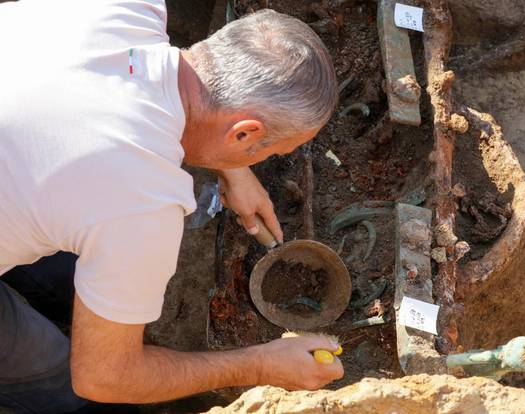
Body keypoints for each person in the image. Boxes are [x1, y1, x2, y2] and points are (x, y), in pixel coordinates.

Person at [0, 0, 342, 412]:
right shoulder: (140, 204)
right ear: (244, 133)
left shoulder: (127, 9)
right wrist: (259, 364)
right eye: (264, 153)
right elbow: (103, 378)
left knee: (73, 264)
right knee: (59, 381)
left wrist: (232, 168)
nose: (258, 162)